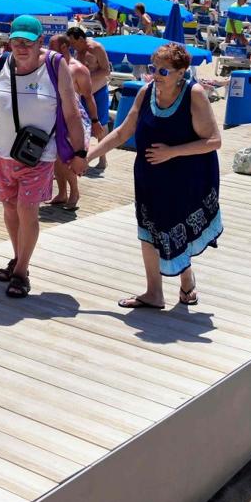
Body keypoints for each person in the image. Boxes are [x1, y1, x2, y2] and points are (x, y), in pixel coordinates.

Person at [83, 43, 221, 308]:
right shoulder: (146, 92)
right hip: (149, 175)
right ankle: (153, 293)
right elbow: (123, 132)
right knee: (148, 231)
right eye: (152, 68)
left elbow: (214, 141)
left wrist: (172, 152)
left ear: (182, 72)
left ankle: (186, 281)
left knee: (178, 231)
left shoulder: (195, 94)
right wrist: (88, 157)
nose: (156, 75)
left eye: (164, 71)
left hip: (187, 176)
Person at [0, 16, 87, 297]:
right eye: (16, 42)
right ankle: (17, 256)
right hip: (3, 153)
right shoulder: (0, 64)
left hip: (39, 156)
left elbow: (71, 112)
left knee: (27, 210)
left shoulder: (55, 66)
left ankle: (22, 271)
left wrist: (80, 153)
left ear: (40, 42)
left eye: (28, 43)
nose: (21, 48)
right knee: (10, 207)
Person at [48, 35, 98, 210]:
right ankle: (62, 193)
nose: (48, 47)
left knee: (67, 158)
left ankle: (74, 192)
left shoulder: (78, 69)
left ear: (63, 46)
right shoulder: (48, 65)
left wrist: (95, 121)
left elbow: (89, 98)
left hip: (73, 118)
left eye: (51, 44)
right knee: (55, 157)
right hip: (54, 116)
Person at [66, 26, 112, 169]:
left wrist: (87, 78)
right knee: (79, 123)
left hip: (98, 90)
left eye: (73, 43)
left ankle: (102, 158)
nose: (72, 46)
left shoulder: (96, 48)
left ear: (81, 39)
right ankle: (80, 156)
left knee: (101, 125)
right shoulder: (77, 51)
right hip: (83, 94)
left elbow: (106, 70)